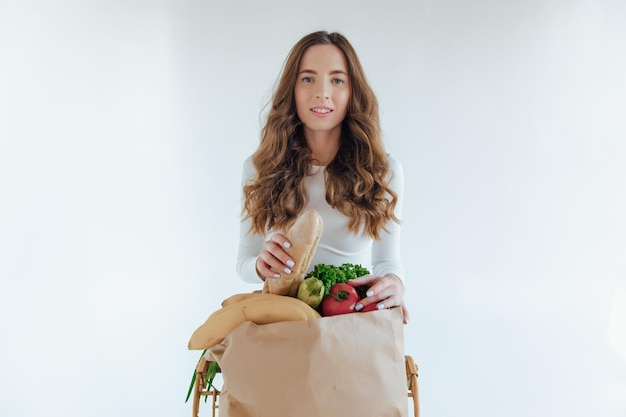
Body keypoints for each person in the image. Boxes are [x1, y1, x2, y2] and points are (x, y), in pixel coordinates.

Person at [236, 31, 409, 324]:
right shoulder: (259, 168)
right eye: (308, 78)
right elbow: (245, 262)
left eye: (337, 80)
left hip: (353, 324)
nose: (322, 92)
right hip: (285, 327)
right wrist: (261, 265)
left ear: (353, 91)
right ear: (291, 88)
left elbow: (385, 262)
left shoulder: (383, 171)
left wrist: (395, 285)